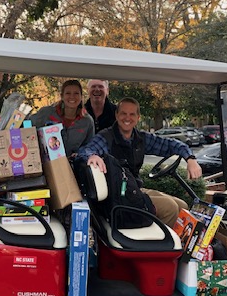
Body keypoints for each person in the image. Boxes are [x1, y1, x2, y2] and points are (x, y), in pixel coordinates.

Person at [77, 97, 202, 228]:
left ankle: (177, 245)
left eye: (132, 114)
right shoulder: (106, 138)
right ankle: (160, 246)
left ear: (138, 117)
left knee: (182, 206)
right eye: (123, 113)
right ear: (116, 115)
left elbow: (173, 145)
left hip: (135, 190)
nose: (127, 118)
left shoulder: (141, 139)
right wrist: (92, 156)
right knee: (169, 208)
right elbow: (85, 151)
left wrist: (190, 159)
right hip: (118, 197)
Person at [29, 79, 95, 157]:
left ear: (81, 97)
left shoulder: (87, 121)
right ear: (62, 96)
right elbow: (27, 126)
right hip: (46, 164)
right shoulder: (46, 113)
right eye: (68, 93)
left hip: (72, 166)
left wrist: (80, 154)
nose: (72, 97)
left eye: (76, 93)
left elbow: (89, 146)